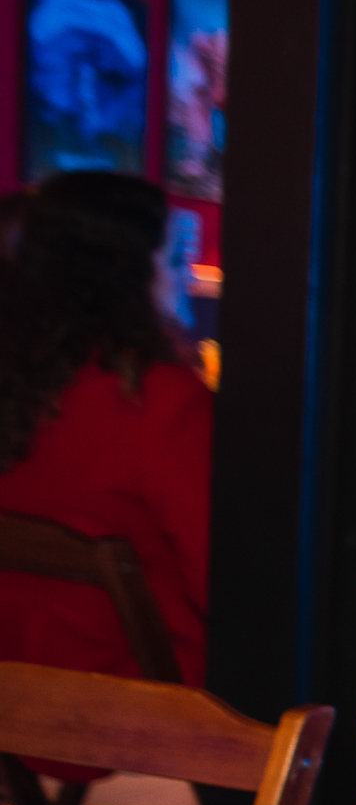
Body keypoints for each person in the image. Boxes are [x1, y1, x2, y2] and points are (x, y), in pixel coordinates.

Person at [0, 178, 206, 694]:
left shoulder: (22, 384)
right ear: (130, 272)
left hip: (17, 684)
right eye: (175, 259)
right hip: (136, 692)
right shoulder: (159, 401)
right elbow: (227, 578)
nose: (188, 275)